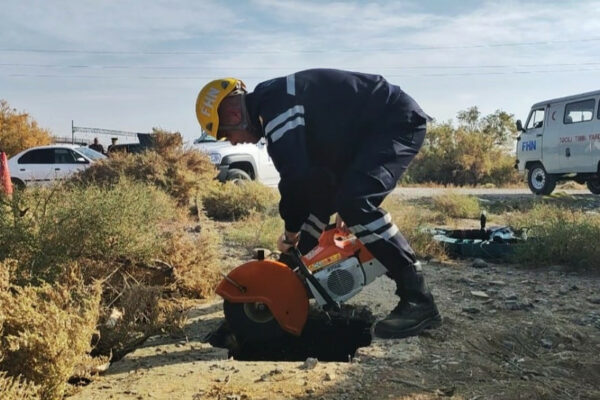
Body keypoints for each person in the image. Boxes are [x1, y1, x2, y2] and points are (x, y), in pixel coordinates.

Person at [196, 69, 441, 339]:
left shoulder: (277, 110)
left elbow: (296, 179)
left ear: (233, 115)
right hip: (366, 134)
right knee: (341, 201)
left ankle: (419, 300)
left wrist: (290, 230)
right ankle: (295, 266)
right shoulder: (275, 103)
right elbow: (318, 185)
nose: (232, 141)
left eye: (225, 133)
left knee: (356, 202)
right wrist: (295, 253)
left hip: (395, 123)